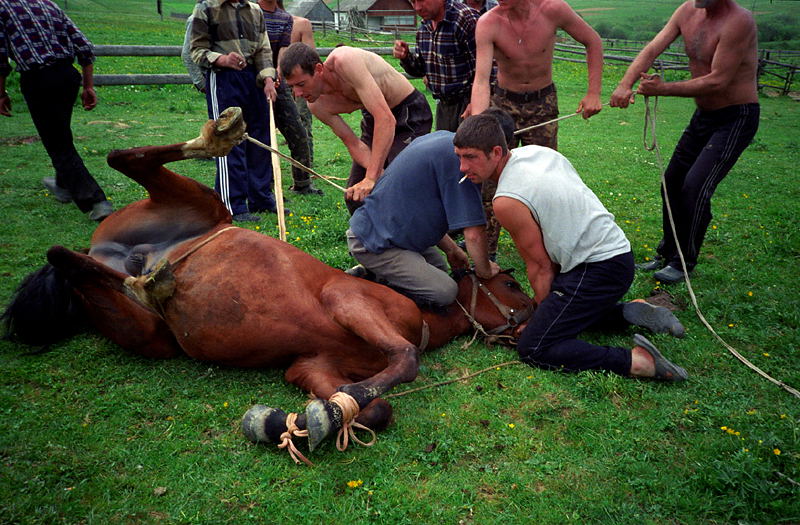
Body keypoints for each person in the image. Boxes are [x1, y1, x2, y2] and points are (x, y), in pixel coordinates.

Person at [453, 113, 688, 381]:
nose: (462, 167)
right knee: (560, 309)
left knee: (535, 345)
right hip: (619, 254)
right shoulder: (538, 152)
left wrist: (539, 316)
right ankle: (629, 312)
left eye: (470, 157)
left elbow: (540, 267)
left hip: (596, 270)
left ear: (496, 151)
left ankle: (636, 362)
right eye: (459, 156)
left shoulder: (506, 200)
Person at [610, 0, 760, 284]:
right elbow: (653, 49)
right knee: (672, 182)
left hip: (735, 118)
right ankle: (667, 252)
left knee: (695, 187)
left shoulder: (739, 21)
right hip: (703, 115)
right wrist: (624, 84)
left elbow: (718, 81)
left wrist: (663, 89)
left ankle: (683, 262)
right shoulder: (686, 11)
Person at [347, 130, 498, 307]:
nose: (464, 165)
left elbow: (422, 209)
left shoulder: (445, 141)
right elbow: (473, 234)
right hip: (374, 242)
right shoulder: (465, 167)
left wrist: (452, 250)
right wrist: (485, 270)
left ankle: (377, 274)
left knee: (440, 270)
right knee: (444, 292)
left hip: (393, 231)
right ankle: (367, 283)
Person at [280, 43, 433, 214]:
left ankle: (438, 225)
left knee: (399, 185)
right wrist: (377, 175)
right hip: (374, 118)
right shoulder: (317, 105)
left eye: (301, 84)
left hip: (408, 112)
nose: (297, 93)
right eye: (292, 87)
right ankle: (375, 239)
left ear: (318, 69)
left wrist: (372, 177)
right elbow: (353, 143)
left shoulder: (345, 61)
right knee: (356, 198)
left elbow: (386, 119)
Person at [0, 0, 113, 222]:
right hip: (67, 76)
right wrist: (88, 86)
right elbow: (84, 46)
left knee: (57, 143)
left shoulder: (3, 7)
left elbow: (1, 56)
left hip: (38, 78)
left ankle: (96, 201)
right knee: (60, 134)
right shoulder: (48, 4)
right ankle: (62, 186)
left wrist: (1, 93)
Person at [189, 0, 285, 222]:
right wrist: (221, 59)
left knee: (260, 138)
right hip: (224, 77)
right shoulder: (206, 7)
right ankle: (232, 204)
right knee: (228, 138)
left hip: (254, 78)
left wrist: (268, 78)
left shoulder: (255, 10)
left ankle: (260, 198)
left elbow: (263, 48)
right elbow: (196, 50)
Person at [469, 0, 604, 149]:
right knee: (498, 167)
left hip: (542, 104)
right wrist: (477, 125)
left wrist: (593, 93)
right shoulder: (488, 23)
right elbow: (481, 81)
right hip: (503, 105)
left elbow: (593, 41)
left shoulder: (553, 9)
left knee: (543, 166)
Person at [259, 0, 320, 195]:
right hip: (256, 85)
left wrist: (279, 73)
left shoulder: (285, 19)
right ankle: (264, 189)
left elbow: (284, 50)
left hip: (280, 84)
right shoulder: (251, 13)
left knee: (299, 134)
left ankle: (303, 184)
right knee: (261, 138)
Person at [393, 0, 479, 132]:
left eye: (421, 0)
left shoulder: (464, 19)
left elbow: (488, 66)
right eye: (412, 2)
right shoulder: (424, 28)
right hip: (443, 106)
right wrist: (406, 57)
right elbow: (421, 70)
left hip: (468, 103)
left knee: (469, 149)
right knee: (445, 149)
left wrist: (476, 103)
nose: (417, 8)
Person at [286, 5, 316, 167]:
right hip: (270, 81)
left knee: (302, 121)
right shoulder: (260, 20)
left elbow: (310, 57)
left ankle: (306, 167)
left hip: (299, 83)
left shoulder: (302, 24)